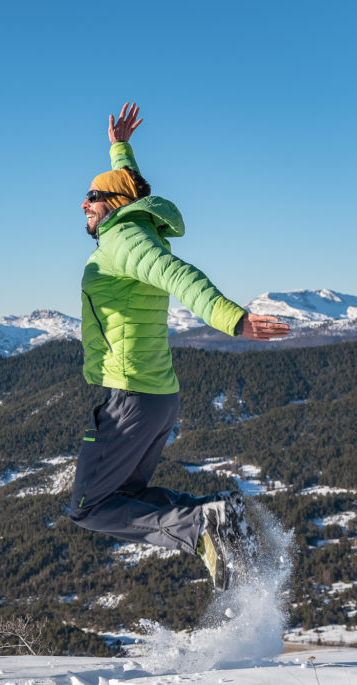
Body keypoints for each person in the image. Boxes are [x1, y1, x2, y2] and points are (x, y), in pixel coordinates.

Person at [69, 103, 291, 591]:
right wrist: (120, 147)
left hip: (131, 397)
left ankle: (200, 524)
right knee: (127, 493)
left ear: (113, 205)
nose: (83, 204)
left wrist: (234, 319)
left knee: (90, 506)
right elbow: (130, 185)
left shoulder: (124, 239)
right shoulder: (136, 227)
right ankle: (216, 518)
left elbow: (179, 276)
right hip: (156, 398)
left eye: (91, 198)